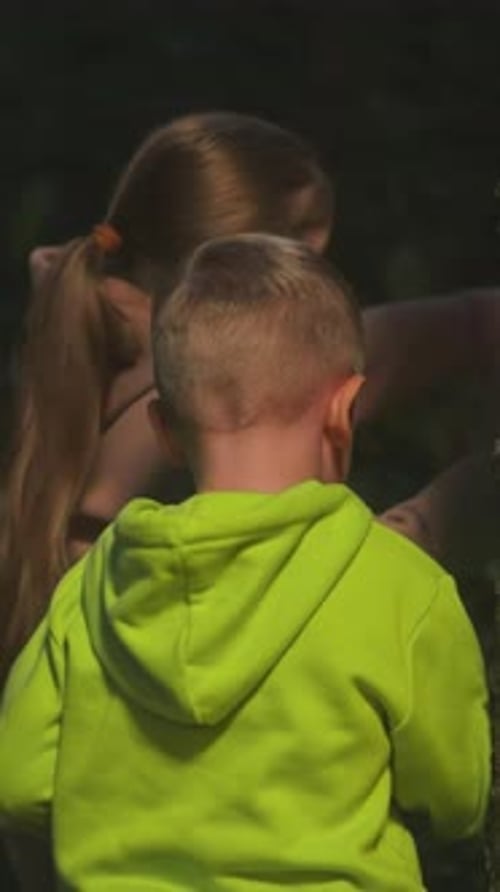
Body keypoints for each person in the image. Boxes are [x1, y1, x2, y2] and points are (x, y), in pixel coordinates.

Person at [0, 234, 490, 891]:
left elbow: (19, 782)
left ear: (165, 430)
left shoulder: (94, 587)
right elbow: (456, 795)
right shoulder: (400, 586)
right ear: (344, 412)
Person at [3, 110, 499, 696]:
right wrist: (415, 534)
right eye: (301, 264)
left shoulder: (75, 343)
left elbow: (450, 328)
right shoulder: (169, 407)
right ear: (225, 270)